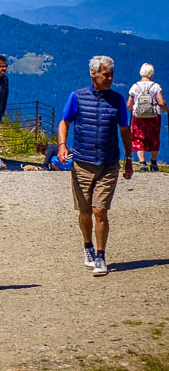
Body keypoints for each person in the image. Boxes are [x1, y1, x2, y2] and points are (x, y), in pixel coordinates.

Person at [57, 55, 133, 277]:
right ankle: (87, 245)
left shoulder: (117, 100)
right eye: (105, 74)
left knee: (100, 210)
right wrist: (62, 145)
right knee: (84, 211)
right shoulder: (77, 97)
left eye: (111, 74)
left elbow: (124, 130)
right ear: (93, 73)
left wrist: (129, 159)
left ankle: (100, 255)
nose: (109, 78)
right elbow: (64, 121)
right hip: (81, 163)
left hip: (108, 163)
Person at [127, 63, 165, 172]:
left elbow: (129, 103)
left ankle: (142, 163)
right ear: (151, 73)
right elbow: (161, 102)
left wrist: (133, 111)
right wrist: (167, 110)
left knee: (139, 138)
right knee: (154, 137)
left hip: (138, 116)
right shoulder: (156, 86)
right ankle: (153, 162)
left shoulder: (135, 86)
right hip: (154, 115)